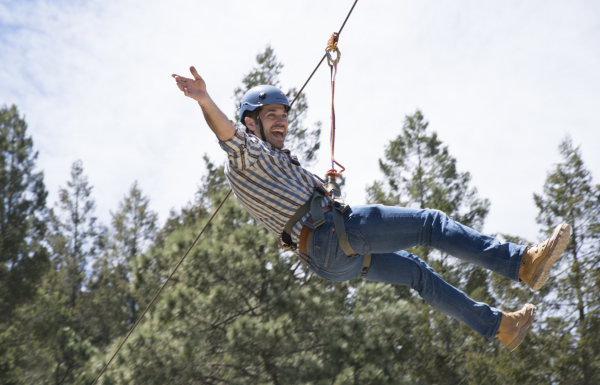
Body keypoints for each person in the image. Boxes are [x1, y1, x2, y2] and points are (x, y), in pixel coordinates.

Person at [172, 66, 571, 352]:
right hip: (329, 235)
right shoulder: (247, 155)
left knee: (418, 274)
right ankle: (521, 263)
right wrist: (205, 99)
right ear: (251, 123)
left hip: (327, 260)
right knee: (430, 224)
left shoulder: (278, 163)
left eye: (284, 116)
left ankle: (500, 327)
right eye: (271, 115)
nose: (281, 122)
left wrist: (320, 187)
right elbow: (227, 134)